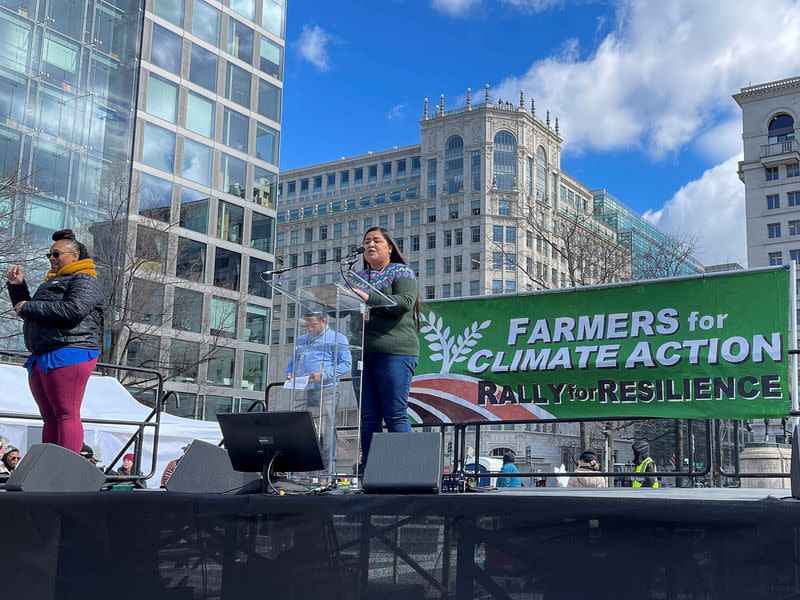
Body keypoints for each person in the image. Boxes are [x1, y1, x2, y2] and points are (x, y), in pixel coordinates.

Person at [5, 229, 103, 454]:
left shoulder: (85, 280)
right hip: (45, 352)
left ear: (74, 256)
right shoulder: (54, 282)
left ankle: (65, 469)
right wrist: (18, 287)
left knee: (66, 413)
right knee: (49, 417)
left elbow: (73, 310)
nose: (51, 258)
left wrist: (27, 306)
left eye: (56, 254)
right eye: (49, 255)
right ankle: (49, 466)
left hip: (70, 350)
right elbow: (30, 311)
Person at [352, 227, 420, 469]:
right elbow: (348, 309)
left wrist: (370, 298)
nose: (370, 244)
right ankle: (370, 471)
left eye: (376, 240)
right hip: (362, 354)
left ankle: (406, 470)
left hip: (395, 353)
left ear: (389, 247)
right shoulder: (356, 277)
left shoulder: (401, 271)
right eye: (366, 241)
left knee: (395, 414)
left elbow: (405, 303)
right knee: (368, 417)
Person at [285, 312, 352, 463]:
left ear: (323, 321)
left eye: (313, 325)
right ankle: (303, 469)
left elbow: (346, 364)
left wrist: (324, 375)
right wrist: (289, 374)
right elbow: (292, 363)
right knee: (302, 429)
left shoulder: (337, 338)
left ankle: (326, 471)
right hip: (303, 390)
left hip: (326, 389)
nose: (309, 329)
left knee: (327, 431)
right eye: (307, 325)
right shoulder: (302, 340)